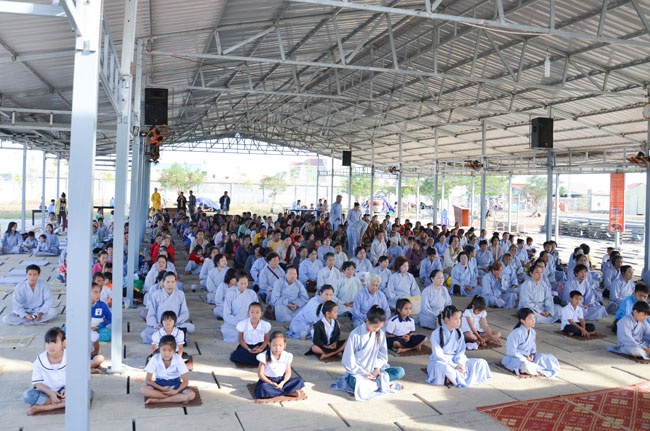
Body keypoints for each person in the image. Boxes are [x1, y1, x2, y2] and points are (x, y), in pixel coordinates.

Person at [331, 306, 405, 401]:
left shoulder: (380, 334)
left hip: (374, 371)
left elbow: (382, 356)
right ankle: (382, 383)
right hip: (358, 373)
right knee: (354, 382)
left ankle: (376, 384)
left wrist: (377, 369)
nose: (377, 329)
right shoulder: (355, 334)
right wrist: (364, 373)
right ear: (367, 320)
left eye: (379, 327)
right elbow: (348, 361)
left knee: (400, 371)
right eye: (375, 327)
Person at [23, 328, 91, 415]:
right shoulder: (40, 359)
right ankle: (64, 403)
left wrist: (69, 389)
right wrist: (50, 393)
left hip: (67, 391)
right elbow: (37, 382)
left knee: (88, 393)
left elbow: (79, 377)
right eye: (48, 343)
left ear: (64, 343)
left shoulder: (72, 356)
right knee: (27, 396)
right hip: (47, 392)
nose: (51, 346)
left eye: (55, 342)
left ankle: (46, 407)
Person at [425, 305, 491, 387]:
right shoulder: (436, 334)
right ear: (447, 320)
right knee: (443, 367)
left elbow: (460, 352)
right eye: (455, 319)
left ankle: (453, 377)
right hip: (442, 362)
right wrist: (455, 366)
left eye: (459, 318)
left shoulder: (459, 333)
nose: (459, 321)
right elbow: (438, 355)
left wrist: (461, 364)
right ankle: (456, 377)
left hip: (456, 360)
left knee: (481, 362)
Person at [502, 308, 560, 377]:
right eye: (530, 319)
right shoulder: (516, 333)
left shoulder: (532, 332)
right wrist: (525, 359)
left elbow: (533, 347)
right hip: (517, 358)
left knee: (548, 358)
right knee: (526, 365)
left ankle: (536, 369)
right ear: (522, 320)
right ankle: (535, 370)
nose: (533, 321)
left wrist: (532, 355)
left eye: (534, 318)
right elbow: (511, 351)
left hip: (529, 357)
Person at [140, 335, 195, 405]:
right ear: (159, 349)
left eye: (170, 351)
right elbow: (148, 380)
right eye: (163, 350)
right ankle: (176, 398)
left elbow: (185, 381)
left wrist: (176, 391)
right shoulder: (155, 358)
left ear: (174, 350)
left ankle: (159, 400)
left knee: (191, 395)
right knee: (143, 390)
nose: (166, 354)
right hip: (159, 383)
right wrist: (161, 388)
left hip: (175, 384)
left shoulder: (178, 359)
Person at [142, 272, 194, 344]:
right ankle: (174, 338)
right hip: (160, 325)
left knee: (191, 327)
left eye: (172, 282)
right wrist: (157, 325)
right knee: (145, 334)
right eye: (168, 282)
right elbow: (151, 314)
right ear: (163, 282)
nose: (170, 285)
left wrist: (174, 322)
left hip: (175, 324)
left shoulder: (180, 294)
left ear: (176, 282)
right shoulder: (156, 295)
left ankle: (164, 338)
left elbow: (185, 313)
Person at [254, 331, 305, 399]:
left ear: (285, 345)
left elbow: (288, 373)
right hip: (268, 381)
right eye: (274, 345)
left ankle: (276, 392)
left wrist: (283, 382)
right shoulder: (264, 356)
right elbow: (260, 374)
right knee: (263, 387)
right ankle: (288, 392)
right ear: (269, 344)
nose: (277, 348)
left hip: (282, 380)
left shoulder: (287, 356)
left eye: (280, 345)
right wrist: (271, 383)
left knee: (299, 380)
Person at [221, 271, 259, 342]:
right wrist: (238, 323)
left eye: (245, 283)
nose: (243, 286)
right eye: (241, 283)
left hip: (249, 322)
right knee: (231, 332)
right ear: (237, 282)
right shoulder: (230, 294)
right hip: (234, 323)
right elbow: (226, 314)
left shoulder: (252, 294)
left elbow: (257, 311)